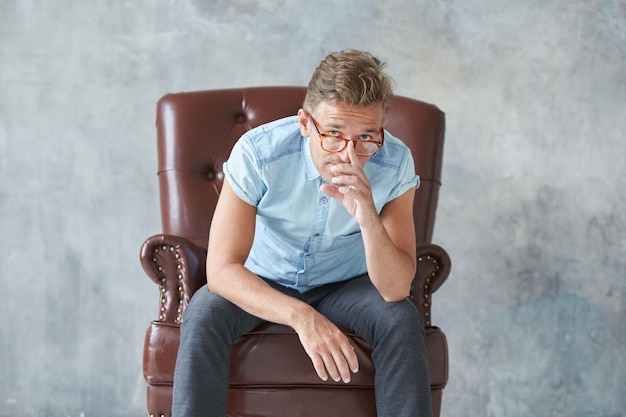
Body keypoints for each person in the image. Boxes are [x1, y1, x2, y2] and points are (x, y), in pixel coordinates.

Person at [172, 49, 432, 417]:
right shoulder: (259, 154)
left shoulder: (394, 162)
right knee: (204, 312)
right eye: (334, 134)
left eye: (365, 138)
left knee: (401, 319)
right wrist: (301, 316)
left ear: (381, 131)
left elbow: (394, 288)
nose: (349, 155)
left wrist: (369, 217)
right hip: (264, 276)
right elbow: (222, 270)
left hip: (346, 283)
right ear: (305, 123)